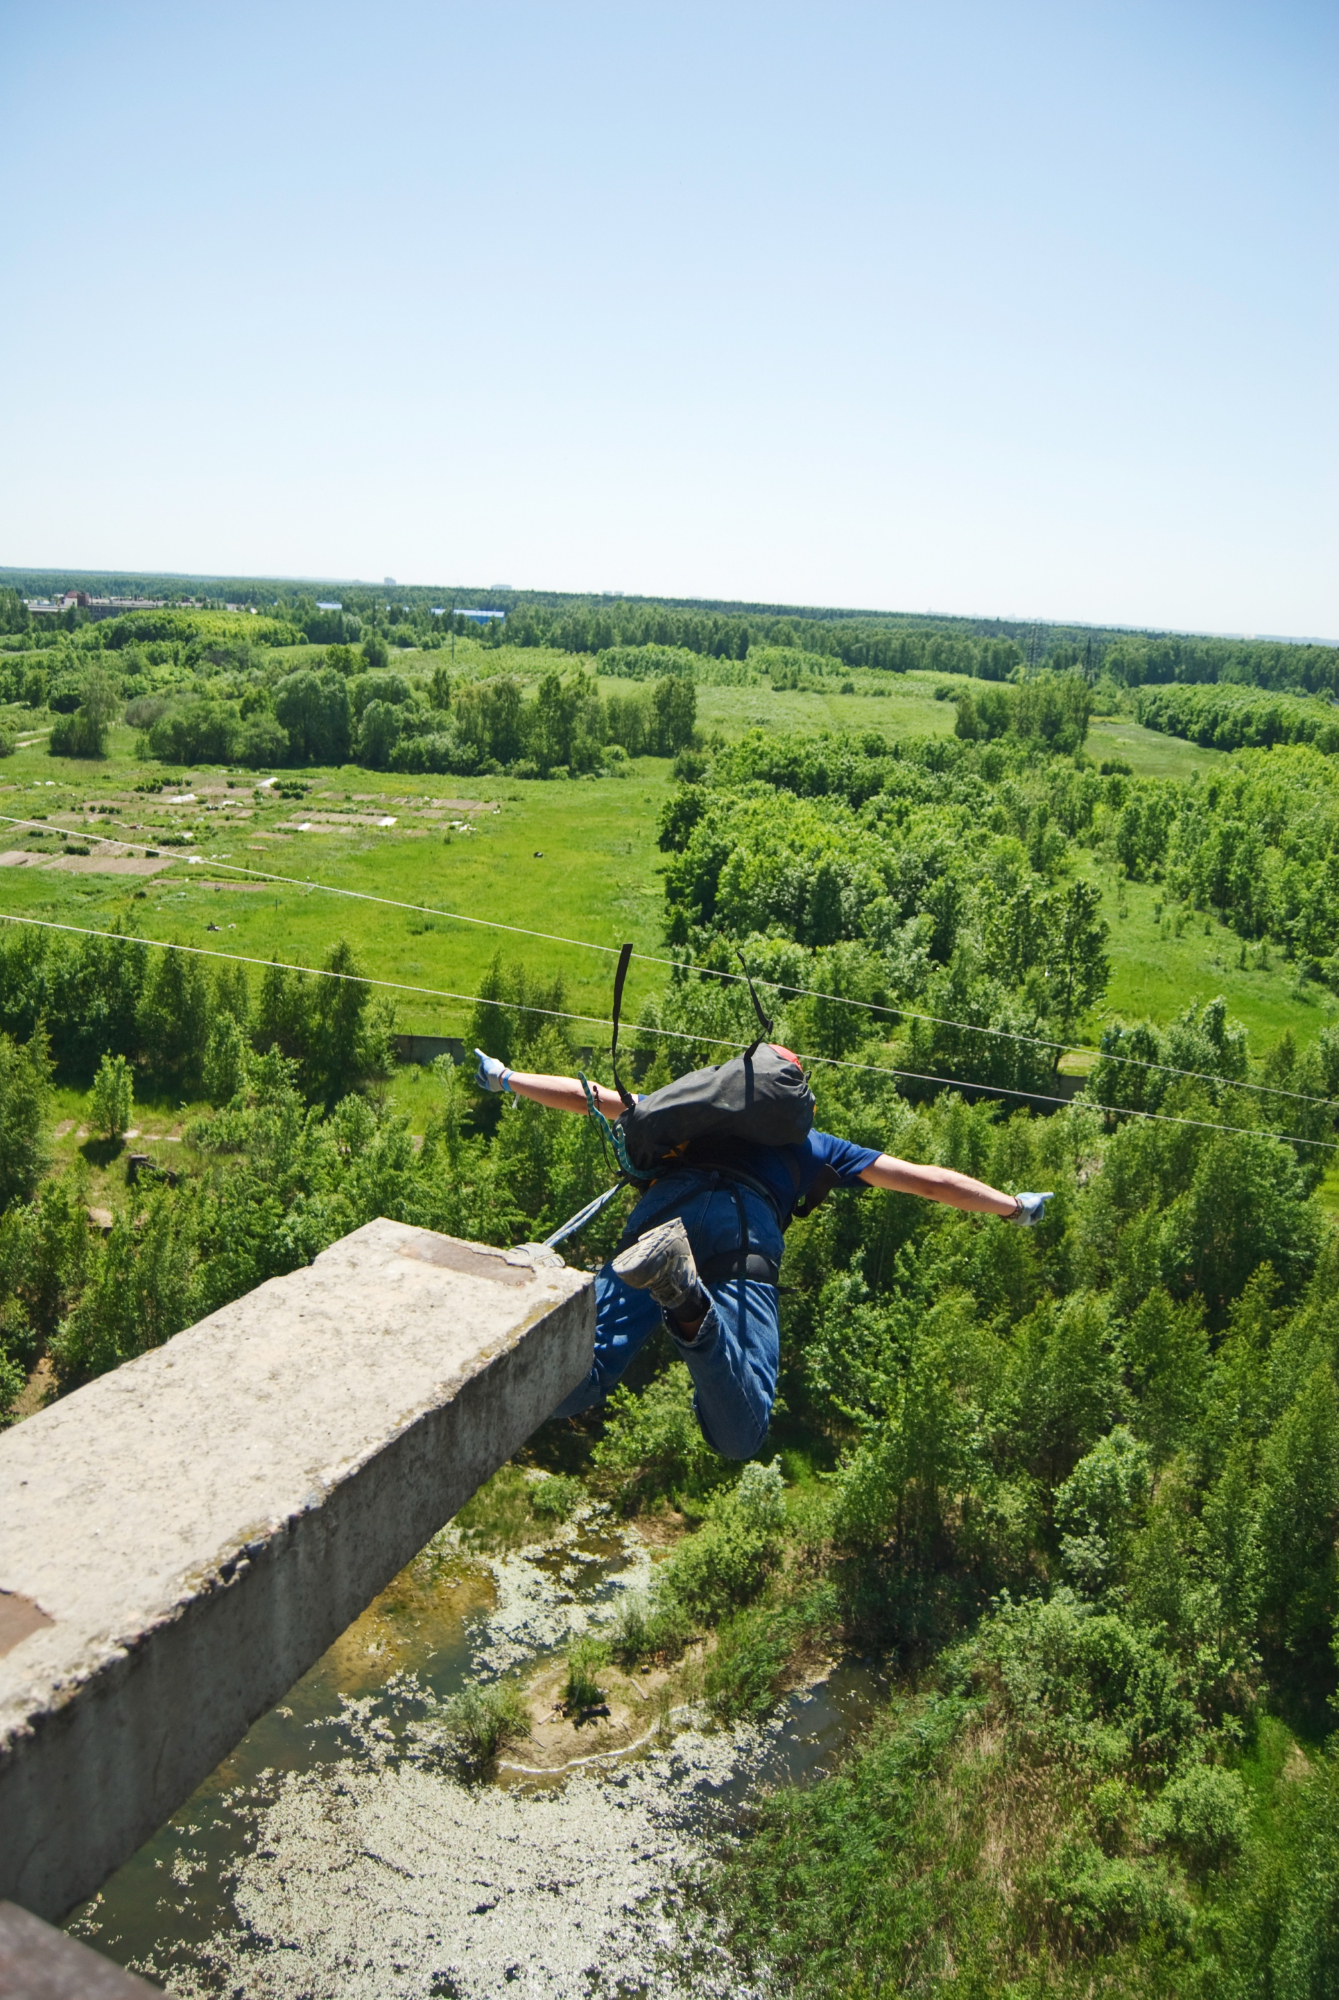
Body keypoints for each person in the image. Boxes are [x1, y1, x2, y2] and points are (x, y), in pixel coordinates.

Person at [474, 1045, 1052, 1460]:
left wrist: (507, 1078)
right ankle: (689, 1305)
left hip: (660, 1214)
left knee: (575, 1380)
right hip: (741, 1233)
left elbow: (593, 1097)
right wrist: (1013, 1206)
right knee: (740, 1433)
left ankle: (517, 1308)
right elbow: (927, 1180)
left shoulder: (688, 1115)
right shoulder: (813, 1146)